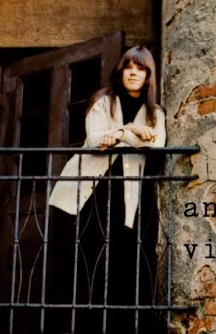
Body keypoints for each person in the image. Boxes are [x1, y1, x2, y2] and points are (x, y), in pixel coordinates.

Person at [47, 45, 167, 225]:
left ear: (148, 75)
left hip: (128, 194)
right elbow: (94, 140)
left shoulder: (155, 113)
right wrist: (129, 131)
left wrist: (120, 134)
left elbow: (157, 145)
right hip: (90, 191)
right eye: (128, 67)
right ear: (120, 72)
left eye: (141, 69)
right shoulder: (102, 102)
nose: (133, 73)